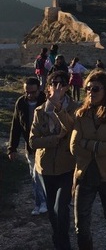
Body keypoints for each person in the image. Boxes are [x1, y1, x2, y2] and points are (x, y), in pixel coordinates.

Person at [70, 70, 106, 250]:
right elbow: (73, 146)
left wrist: (88, 144)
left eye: (95, 89)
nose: (90, 93)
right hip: (84, 174)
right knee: (81, 224)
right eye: (87, 89)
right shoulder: (81, 114)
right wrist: (102, 146)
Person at [29, 71, 78, 250]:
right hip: (45, 168)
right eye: (54, 83)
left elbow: (73, 128)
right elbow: (33, 141)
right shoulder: (39, 111)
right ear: (47, 87)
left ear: (67, 87)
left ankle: (63, 244)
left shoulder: (75, 108)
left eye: (61, 83)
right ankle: (59, 241)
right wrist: (54, 139)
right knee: (52, 211)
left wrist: (59, 109)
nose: (57, 87)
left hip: (67, 167)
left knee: (61, 208)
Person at [7, 77, 47, 216]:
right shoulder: (21, 103)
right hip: (30, 147)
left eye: (33, 92)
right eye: (27, 92)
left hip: (46, 147)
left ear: (39, 89)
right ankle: (40, 203)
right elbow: (16, 126)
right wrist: (12, 148)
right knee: (35, 175)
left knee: (43, 175)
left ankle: (46, 202)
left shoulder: (47, 101)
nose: (30, 95)